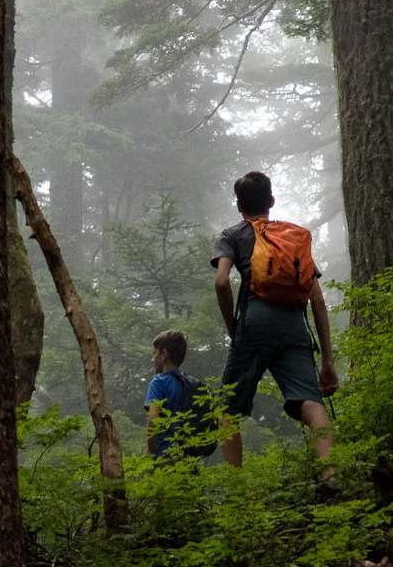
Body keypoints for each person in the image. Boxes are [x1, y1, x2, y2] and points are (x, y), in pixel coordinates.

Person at [210, 169, 338, 466]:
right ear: (272, 200)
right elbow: (317, 300)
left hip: (254, 320)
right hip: (294, 324)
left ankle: (237, 491)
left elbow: (220, 282)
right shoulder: (293, 238)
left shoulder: (233, 235)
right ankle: (333, 474)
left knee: (228, 409)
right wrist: (327, 361)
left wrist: (234, 328)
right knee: (310, 401)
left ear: (239, 206)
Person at [143, 327, 204, 462]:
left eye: (155, 353)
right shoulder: (192, 383)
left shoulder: (159, 382)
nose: (153, 358)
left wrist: (151, 453)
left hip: (166, 456)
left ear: (164, 354)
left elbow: (153, 420)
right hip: (190, 458)